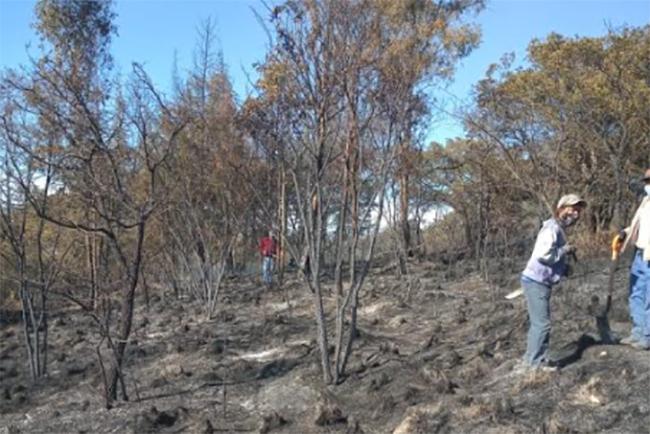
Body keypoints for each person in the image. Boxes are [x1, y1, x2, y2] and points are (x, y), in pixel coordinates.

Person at [520, 194, 587, 371]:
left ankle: (530, 360)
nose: (576, 213)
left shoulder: (558, 228)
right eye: (572, 209)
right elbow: (544, 255)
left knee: (538, 323)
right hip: (536, 281)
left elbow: (550, 256)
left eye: (578, 210)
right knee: (542, 324)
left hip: (539, 281)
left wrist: (562, 269)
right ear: (561, 209)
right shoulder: (552, 228)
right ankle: (534, 364)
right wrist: (564, 250)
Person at [613, 168, 650, 351]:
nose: (648, 185)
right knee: (636, 292)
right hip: (639, 253)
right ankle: (638, 331)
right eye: (647, 181)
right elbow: (640, 225)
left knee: (649, 298)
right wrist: (625, 232)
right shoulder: (645, 202)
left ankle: (647, 336)